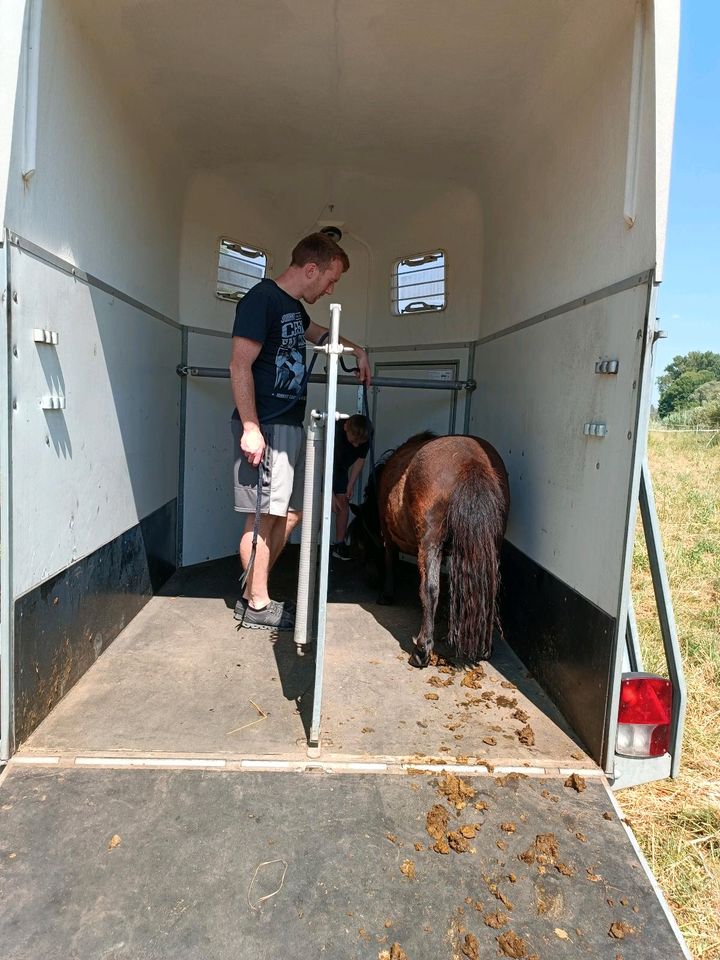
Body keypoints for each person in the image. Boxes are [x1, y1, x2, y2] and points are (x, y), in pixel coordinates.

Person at [230, 232, 371, 630]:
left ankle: (253, 591)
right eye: (331, 279)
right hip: (268, 425)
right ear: (311, 269)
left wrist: (356, 349)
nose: (330, 288)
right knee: (262, 516)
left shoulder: (292, 307)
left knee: (288, 513)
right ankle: (258, 604)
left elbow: (320, 335)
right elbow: (239, 365)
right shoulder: (261, 300)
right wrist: (251, 427)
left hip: (290, 424)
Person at [331, 414, 371, 560]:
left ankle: (339, 545)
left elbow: (361, 459)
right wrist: (329, 494)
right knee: (320, 504)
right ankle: (310, 545)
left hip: (341, 468)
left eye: (359, 443)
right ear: (346, 426)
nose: (355, 446)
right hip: (321, 464)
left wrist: (350, 485)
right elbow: (323, 462)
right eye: (353, 441)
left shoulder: (366, 433)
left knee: (343, 503)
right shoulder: (334, 432)